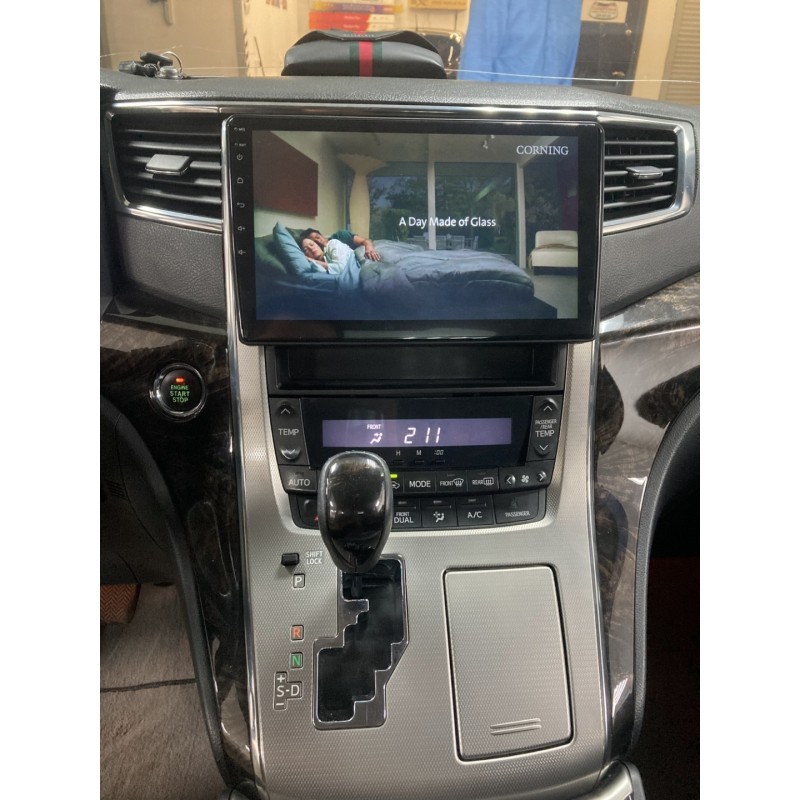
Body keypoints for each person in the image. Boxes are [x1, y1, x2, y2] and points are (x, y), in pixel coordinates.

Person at [302, 228, 382, 262]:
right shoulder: (321, 255)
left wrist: (369, 249)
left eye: (318, 237)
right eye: (315, 242)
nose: (319, 241)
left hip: (369, 251)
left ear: (322, 235)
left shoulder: (340, 236)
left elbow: (365, 241)